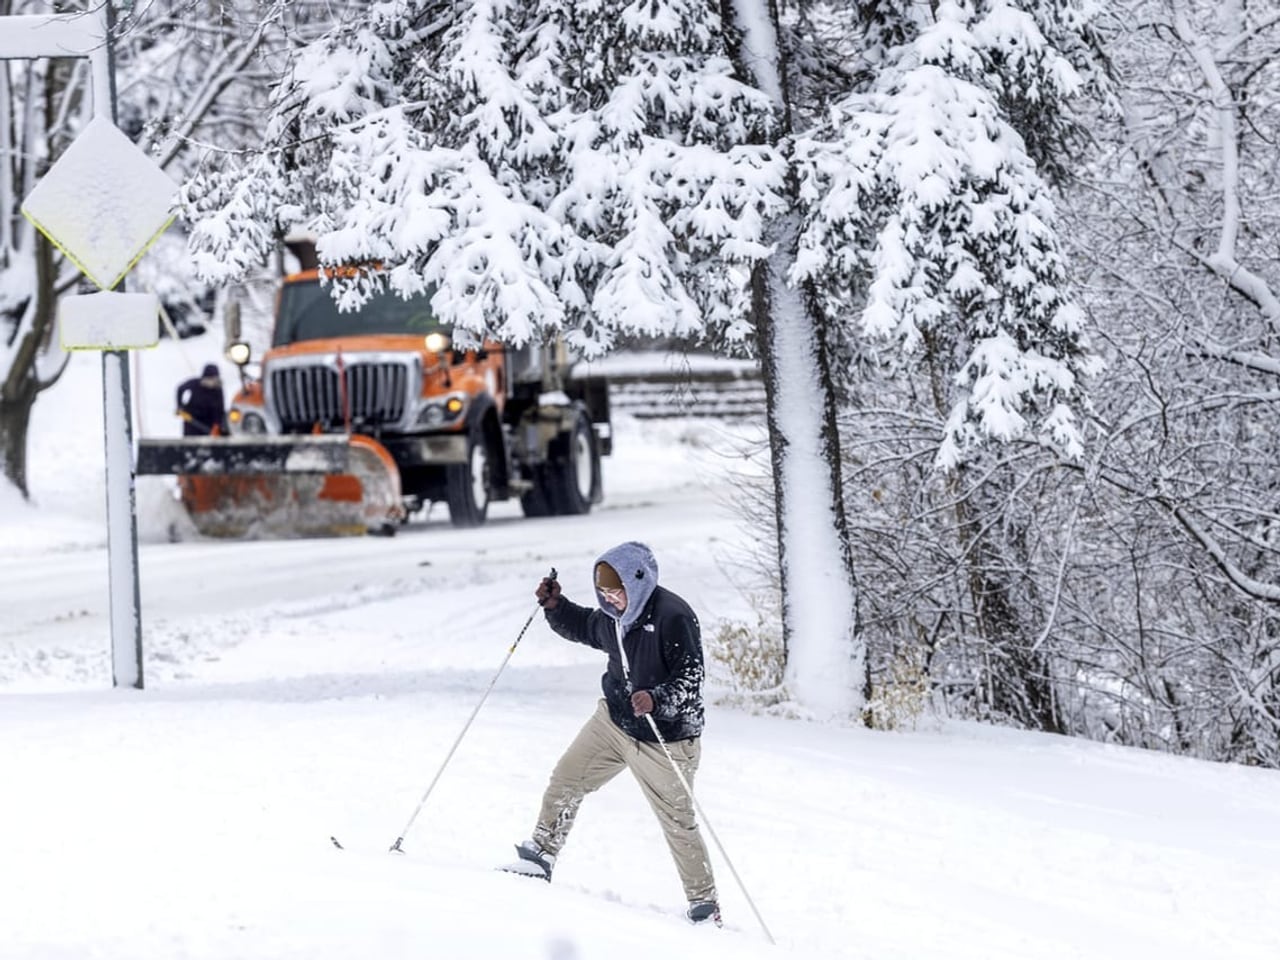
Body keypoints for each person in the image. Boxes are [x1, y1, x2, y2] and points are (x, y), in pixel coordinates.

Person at [506, 541, 720, 926]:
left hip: (665, 738)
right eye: (603, 593)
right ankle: (540, 855)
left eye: (616, 591)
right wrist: (556, 607)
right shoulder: (611, 617)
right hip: (614, 721)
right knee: (566, 780)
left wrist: (656, 700)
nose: (610, 600)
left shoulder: (673, 616)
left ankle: (704, 904)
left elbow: (692, 681)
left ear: (638, 582)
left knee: (677, 822)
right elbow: (586, 626)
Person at [175, 364, 228, 436]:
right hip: (191, 419)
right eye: (210, 379)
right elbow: (180, 388)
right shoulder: (195, 383)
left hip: (209, 422)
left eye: (214, 379)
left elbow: (220, 409)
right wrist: (180, 406)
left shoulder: (218, 390)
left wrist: (217, 425)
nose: (212, 382)